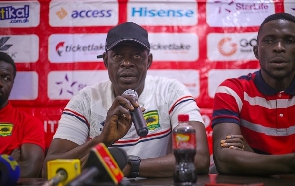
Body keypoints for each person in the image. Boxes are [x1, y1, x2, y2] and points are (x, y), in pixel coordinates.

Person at [43, 22, 209, 178]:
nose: (127, 63)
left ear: (148, 61)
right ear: (106, 61)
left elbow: (200, 158)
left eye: (136, 55)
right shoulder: (85, 100)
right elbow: (49, 170)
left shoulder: (171, 91)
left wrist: (131, 166)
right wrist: (102, 140)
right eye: (117, 56)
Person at [212, 12, 295, 175]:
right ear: (257, 52)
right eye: (269, 40)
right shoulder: (232, 90)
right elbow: (225, 161)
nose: (279, 47)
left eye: (289, 40)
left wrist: (253, 157)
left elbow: (236, 161)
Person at [0, 52, 45, 177]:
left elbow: (31, 168)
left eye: (6, 78)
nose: (0, 83)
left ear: (13, 83)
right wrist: (7, 164)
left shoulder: (29, 124)